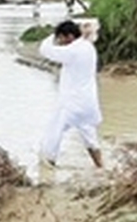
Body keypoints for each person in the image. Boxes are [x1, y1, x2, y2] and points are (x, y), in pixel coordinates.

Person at [38, 20, 103, 168]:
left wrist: (51, 36)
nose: (59, 42)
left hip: (71, 103)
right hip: (88, 102)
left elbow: (45, 50)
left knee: (53, 132)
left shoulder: (72, 51)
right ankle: (101, 167)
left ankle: (49, 166)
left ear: (69, 37)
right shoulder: (89, 47)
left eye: (60, 37)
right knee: (90, 136)